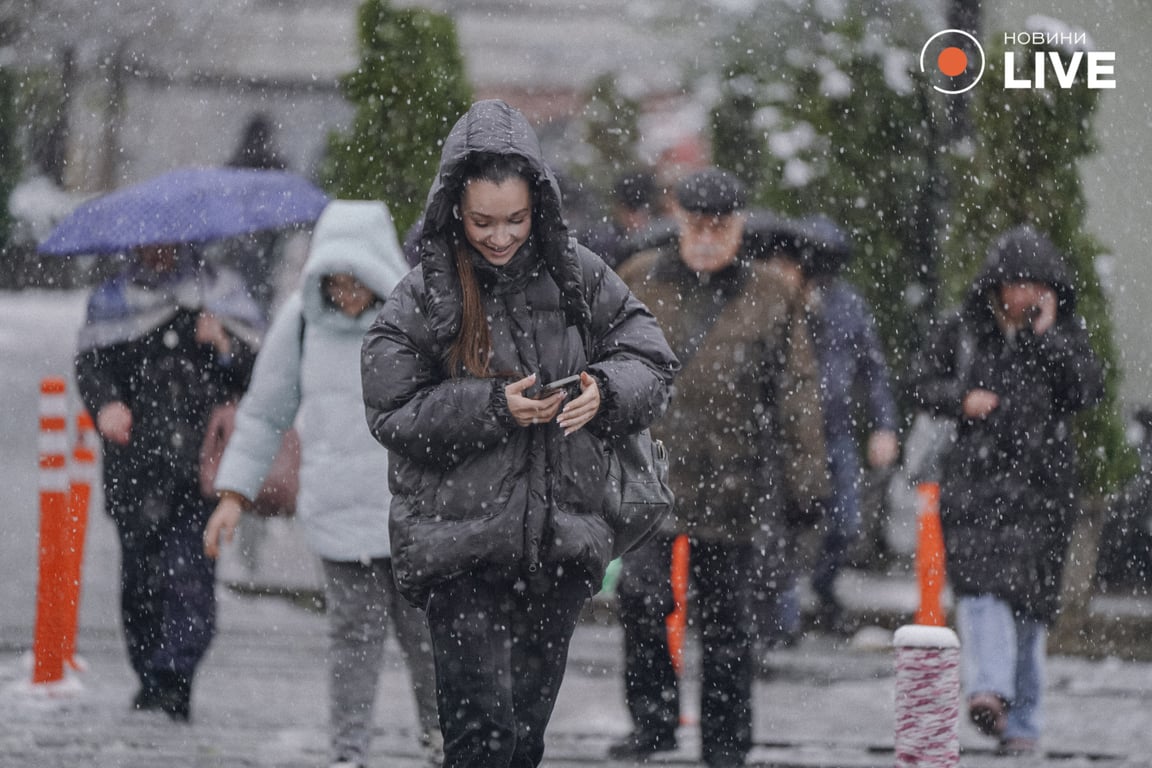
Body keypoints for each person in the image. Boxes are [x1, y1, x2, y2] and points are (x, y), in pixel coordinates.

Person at [359, 99, 678, 768]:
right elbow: (391, 411)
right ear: (455, 210)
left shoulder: (579, 275)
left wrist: (603, 390)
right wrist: (494, 407)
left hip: (558, 547)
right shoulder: (422, 295)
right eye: (482, 222)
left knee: (524, 739)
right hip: (458, 548)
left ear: (540, 206)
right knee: (481, 738)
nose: (500, 237)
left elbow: (649, 356)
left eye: (515, 220)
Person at [202, 200, 442, 768]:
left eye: (357, 279)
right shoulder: (302, 320)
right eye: (336, 280)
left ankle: (442, 741)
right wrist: (233, 497)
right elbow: (263, 412)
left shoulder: (421, 319)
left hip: (415, 519)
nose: (348, 291)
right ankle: (347, 752)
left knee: (431, 644)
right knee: (353, 644)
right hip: (339, 518)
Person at [611, 168, 829, 768]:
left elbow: (797, 390)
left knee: (728, 621)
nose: (707, 237)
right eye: (697, 224)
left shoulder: (770, 293)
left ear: (738, 227)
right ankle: (653, 725)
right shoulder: (640, 280)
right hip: (651, 476)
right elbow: (605, 369)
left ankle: (727, 741)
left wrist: (805, 478)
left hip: (733, 480)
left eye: (720, 226)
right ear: (679, 220)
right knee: (642, 601)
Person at [912, 225, 1104, 756]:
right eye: (1014, 283)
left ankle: (1022, 721)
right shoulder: (963, 328)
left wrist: (1049, 339)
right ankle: (990, 689)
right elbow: (921, 383)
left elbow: (1086, 390)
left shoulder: (1066, 334)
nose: (1022, 295)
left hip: (1043, 491)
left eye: (1034, 285)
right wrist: (961, 398)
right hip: (976, 483)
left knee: (1030, 608)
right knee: (980, 590)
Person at [75, 244, 262, 721]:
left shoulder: (220, 294)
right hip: (135, 466)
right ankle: (151, 674)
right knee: (140, 580)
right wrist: (106, 405)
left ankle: (175, 674)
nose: (158, 254)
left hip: (201, 468)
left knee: (191, 577)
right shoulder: (114, 301)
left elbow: (257, 372)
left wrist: (223, 345)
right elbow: (91, 365)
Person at [765, 215, 900, 640]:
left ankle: (822, 588)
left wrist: (884, 426)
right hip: (786, 433)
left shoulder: (846, 304)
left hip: (834, 432)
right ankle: (782, 618)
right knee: (782, 525)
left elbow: (871, 370)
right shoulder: (775, 299)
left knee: (845, 522)